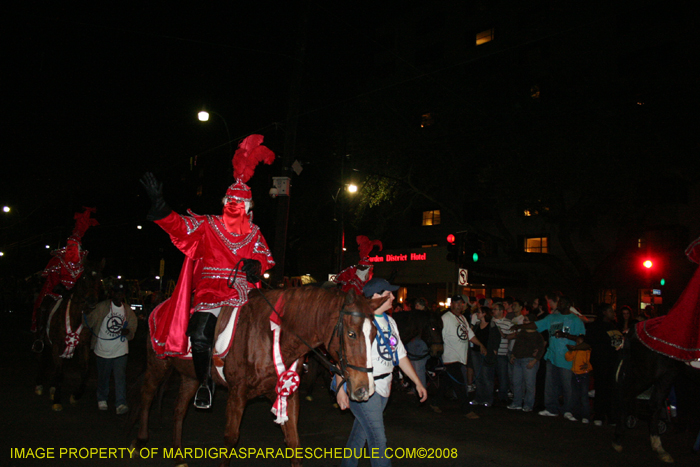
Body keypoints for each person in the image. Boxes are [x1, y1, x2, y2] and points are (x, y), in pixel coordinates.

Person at [140, 134, 275, 409]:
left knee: (278, 323)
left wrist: (256, 266)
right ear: (225, 203)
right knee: (201, 332)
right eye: (231, 203)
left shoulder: (256, 233)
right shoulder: (208, 226)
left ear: (249, 208)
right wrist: (162, 207)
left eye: (242, 205)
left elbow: (264, 259)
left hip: (247, 293)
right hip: (211, 291)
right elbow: (179, 227)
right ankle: (204, 383)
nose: (236, 208)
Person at [336, 278, 427, 467]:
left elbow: (400, 356)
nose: (394, 297)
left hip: (385, 387)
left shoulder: (390, 322)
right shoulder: (359, 322)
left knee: (360, 434)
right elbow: (342, 356)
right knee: (378, 441)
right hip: (364, 388)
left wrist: (417, 382)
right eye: (388, 294)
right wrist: (339, 387)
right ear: (376, 297)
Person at [30, 208, 99, 346]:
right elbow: (51, 279)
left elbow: (83, 280)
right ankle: (40, 337)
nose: (74, 249)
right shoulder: (58, 260)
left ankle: (92, 337)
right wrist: (60, 288)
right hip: (56, 292)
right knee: (43, 307)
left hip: (74, 294)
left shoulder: (82, 263)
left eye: (76, 246)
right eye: (71, 246)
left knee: (90, 308)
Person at [517, 295, 585, 419]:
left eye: (563, 302)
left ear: (569, 305)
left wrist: (567, 336)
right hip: (552, 355)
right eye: (559, 302)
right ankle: (551, 408)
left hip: (567, 358)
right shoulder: (552, 317)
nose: (560, 304)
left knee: (567, 386)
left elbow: (582, 339)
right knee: (550, 385)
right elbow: (536, 326)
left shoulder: (575, 320)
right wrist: (520, 327)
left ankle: (568, 410)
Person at [87, 280, 138, 414]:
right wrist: (87, 310)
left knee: (120, 377)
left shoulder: (127, 310)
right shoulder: (102, 307)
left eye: (121, 293)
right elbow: (90, 322)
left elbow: (133, 327)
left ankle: (120, 403)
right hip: (102, 349)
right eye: (116, 292)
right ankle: (102, 398)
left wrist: (128, 332)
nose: (119, 295)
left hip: (120, 350)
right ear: (112, 293)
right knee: (103, 376)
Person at [441, 294, 486, 418]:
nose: (458, 305)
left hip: (461, 357)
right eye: (456, 303)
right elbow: (441, 336)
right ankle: (466, 409)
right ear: (451, 304)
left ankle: (435, 402)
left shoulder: (462, 318)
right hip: (451, 358)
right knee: (461, 385)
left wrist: (480, 345)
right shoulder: (445, 318)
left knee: (446, 383)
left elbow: (470, 335)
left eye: (461, 303)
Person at [587, 303, 623, 426]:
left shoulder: (613, 326)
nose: (613, 313)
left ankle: (611, 416)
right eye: (610, 311)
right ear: (604, 312)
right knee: (601, 389)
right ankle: (599, 415)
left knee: (611, 391)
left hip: (613, 364)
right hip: (601, 363)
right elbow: (589, 342)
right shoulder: (596, 327)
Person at [507, 314, 545, 412]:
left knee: (529, 384)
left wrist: (535, 360)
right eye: (524, 320)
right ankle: (517, 402)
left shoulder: (537, 335)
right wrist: (513, 355)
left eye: (526, 320)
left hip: (529, 360)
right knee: (516, 383)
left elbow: (541, 349)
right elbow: (517, 344)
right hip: (518, 360)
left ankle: (528, 404)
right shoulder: (522, 332)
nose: (524, 322)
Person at [565, 336, 593, 423]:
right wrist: (570, 351)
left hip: (584, 374)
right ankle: (576, 414)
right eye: (577, 342)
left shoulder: (587, 351)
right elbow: (568, 358)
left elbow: (589, 362)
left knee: (584, 396)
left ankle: (586, 416)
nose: (578, 344)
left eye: (580, 342)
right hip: (575, 374)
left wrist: (587, 366)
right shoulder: (576, 350)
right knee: (575, 395)